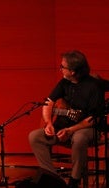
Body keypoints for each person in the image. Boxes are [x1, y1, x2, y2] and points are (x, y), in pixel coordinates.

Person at [28, 50, 105, 188]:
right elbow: (49, 102)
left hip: (87, 129)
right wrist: (48, 123)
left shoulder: (94, 86)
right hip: (64, 130)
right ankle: (54, 179)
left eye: (63, 67)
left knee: (79, 138)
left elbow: (92, 119)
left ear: (73, 71)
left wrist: (70, 130)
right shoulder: (65, 82)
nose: (60, 69)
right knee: (35, 136)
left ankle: (74, 181)